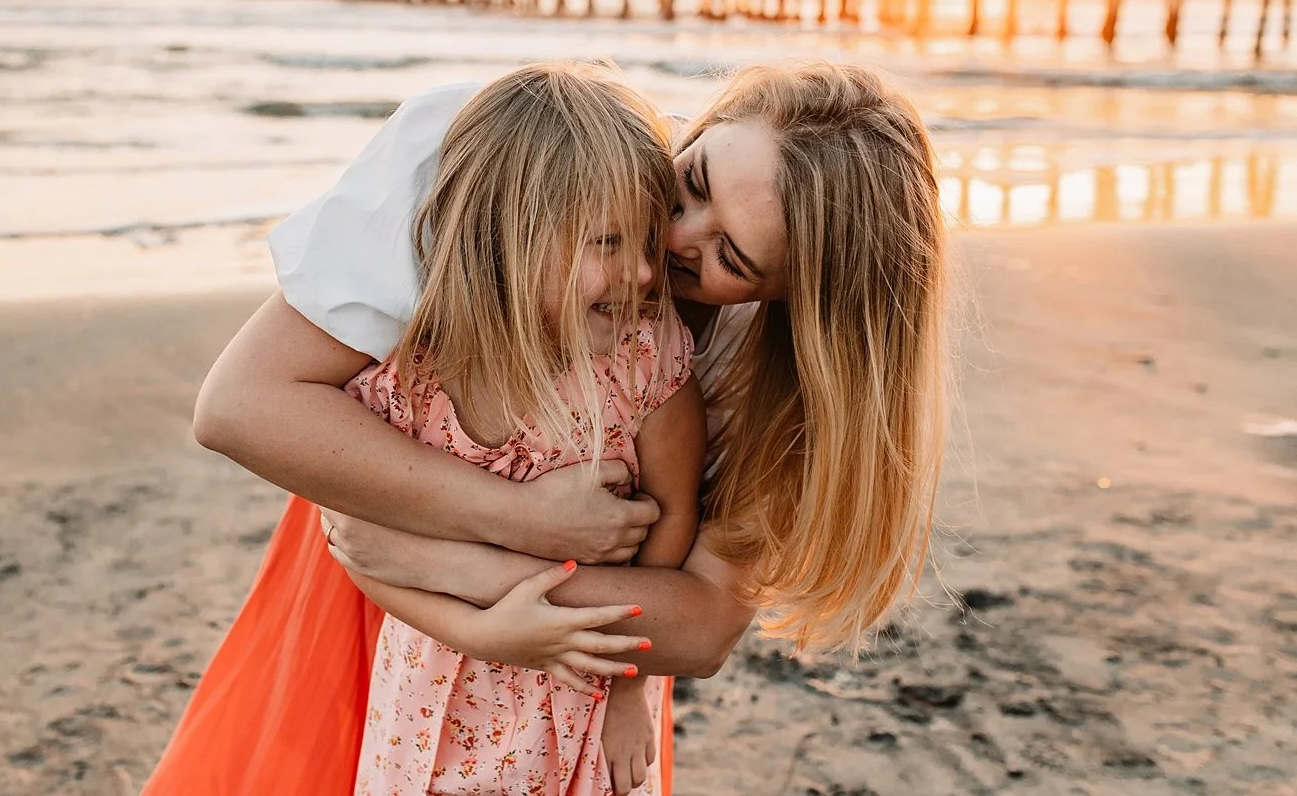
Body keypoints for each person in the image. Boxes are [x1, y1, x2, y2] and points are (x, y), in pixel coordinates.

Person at [153, 58, 949, 795]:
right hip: (380, 501)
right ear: (711, 123)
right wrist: (513, 518)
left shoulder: (774, 384)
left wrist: (457, 566)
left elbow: (701, 626)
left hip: (530, 620)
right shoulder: (502, 162)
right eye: (693, 181)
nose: (668, 239)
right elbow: (240, 408)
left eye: (730, 260)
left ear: (791, 299)